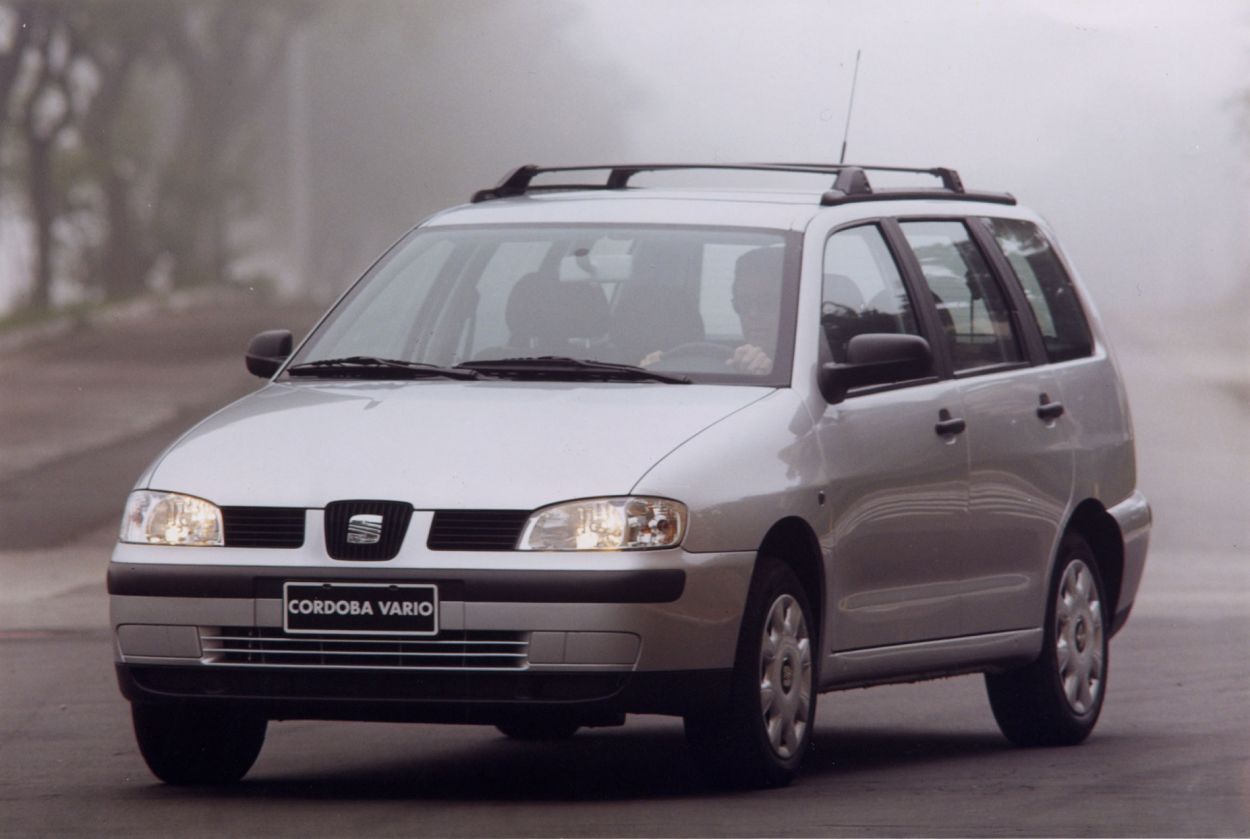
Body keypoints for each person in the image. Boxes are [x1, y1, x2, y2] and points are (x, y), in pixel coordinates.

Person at [640, 246, 782, 374]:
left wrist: (766, 375)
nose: (753, 314)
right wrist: (652, 373)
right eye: (743, 303)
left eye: (767, 303)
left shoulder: (802, 374)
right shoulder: (721, 362)